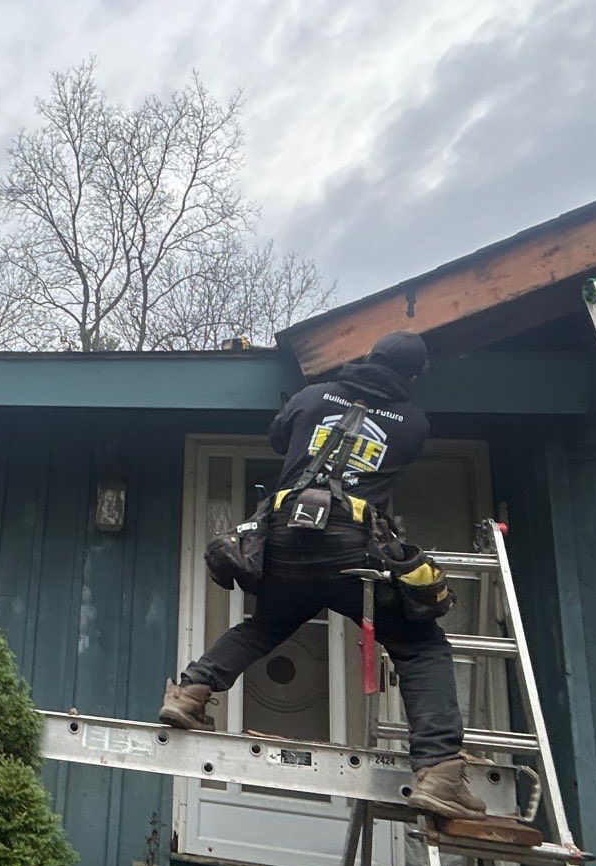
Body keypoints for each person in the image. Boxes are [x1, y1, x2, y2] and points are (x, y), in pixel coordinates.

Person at [158, 330, 490, 821]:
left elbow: (278, 438)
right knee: (420, 646)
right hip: (351, 549)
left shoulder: (312, 397)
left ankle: (190, 693)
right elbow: (400, 457)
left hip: (285, 539)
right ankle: (440, 769)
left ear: (368, 356)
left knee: (265, 624)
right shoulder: (414, 422)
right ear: (414, 376)